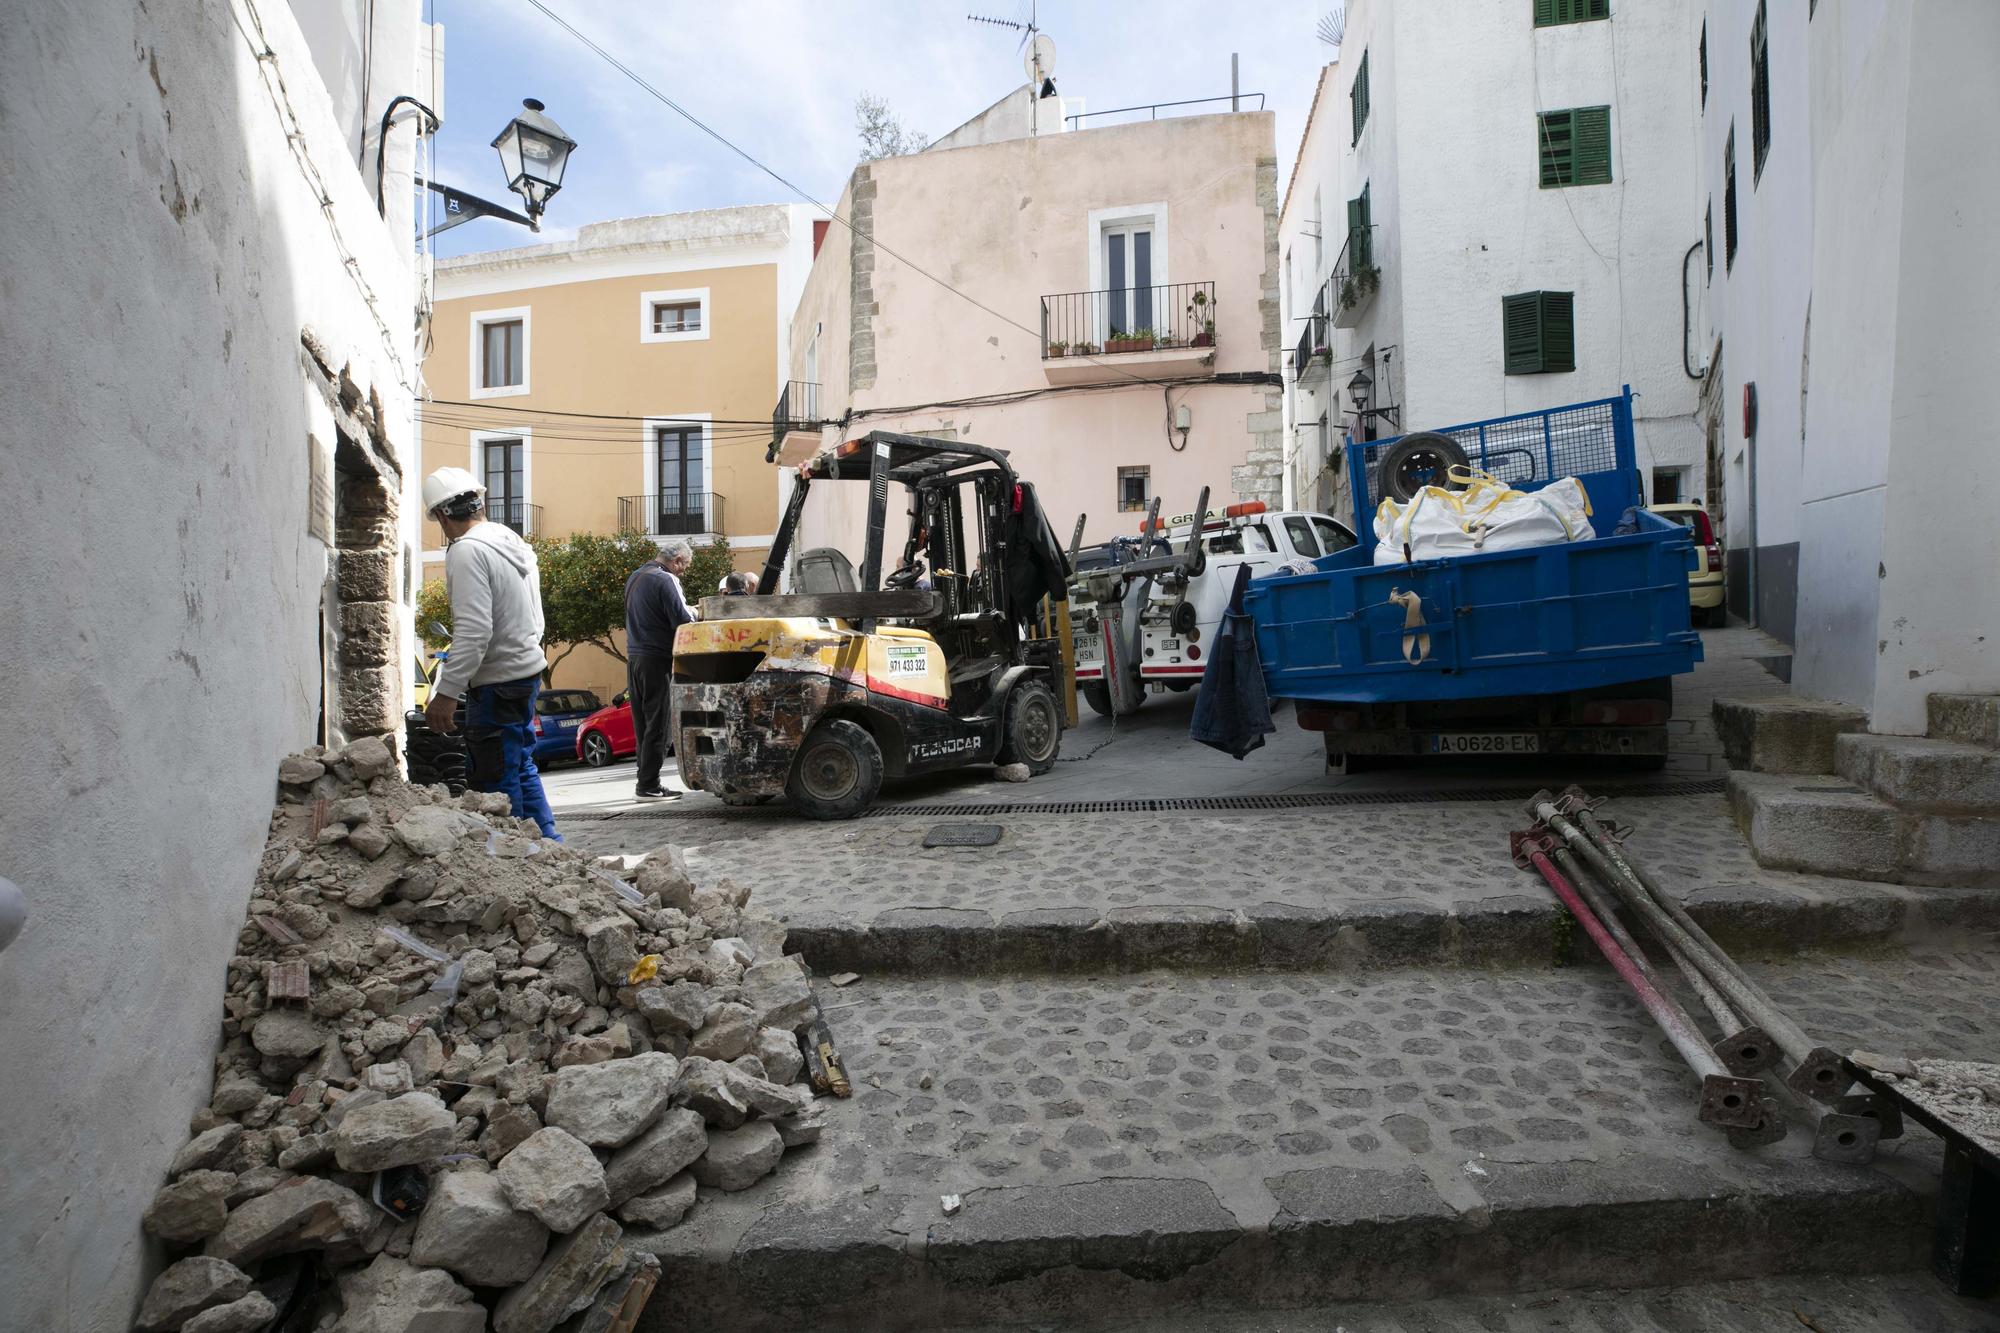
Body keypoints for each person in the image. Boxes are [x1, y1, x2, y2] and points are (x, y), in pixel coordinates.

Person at [420, 466, 559, 839]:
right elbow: (536, 616)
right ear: (480, 503)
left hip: (497, 683)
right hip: (526, 672)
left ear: (443, 515)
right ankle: (551, 849)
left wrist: (446, 694)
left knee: (494, 781)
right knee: (520, 765)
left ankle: (515, 859)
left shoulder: (467, 551)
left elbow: (474, 630)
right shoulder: (509, 540)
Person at [624, 538, 698, 799]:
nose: (683, 572)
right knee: (660, 723)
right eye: (684, 566)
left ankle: (643, 779)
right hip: (657, 659)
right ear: (677, 560)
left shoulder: (635, 576)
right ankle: (649, 785)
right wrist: (696, 612)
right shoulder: (665, 580)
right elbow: (683, 619)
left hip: (634, 658)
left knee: (642, 723)